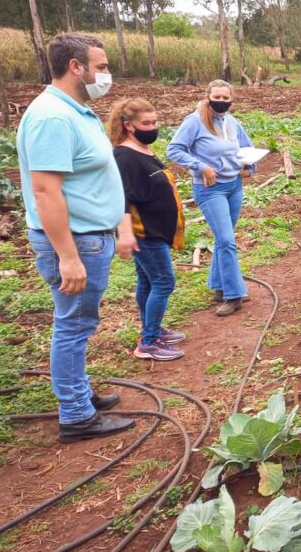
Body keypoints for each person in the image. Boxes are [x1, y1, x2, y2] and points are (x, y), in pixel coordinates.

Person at [16, 33, 136, 443]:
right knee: (73, 325)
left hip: (90, 236)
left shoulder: (77, 111)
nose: (106, 75)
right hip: (77, 242)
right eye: (101, 66)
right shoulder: (53, 117)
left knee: (79, 323)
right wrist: (68, 256)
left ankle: (79, 394)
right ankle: (76, 414)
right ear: (75, 67)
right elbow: (46, 190)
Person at [167, 80, 255, 316]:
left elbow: (247, 147)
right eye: (217, 97)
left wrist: (249, 167)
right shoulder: (194, 121)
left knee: (223, 239)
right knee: (226, 240)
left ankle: (218, 286)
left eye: (226, 98)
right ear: (208, 97)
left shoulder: (232, 122)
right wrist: (200, 166)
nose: (222, 102)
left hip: (233, 186)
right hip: (210, 189)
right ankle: (234, 294)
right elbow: (174, 149)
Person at [109, 98, 187, 361]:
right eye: (146, 123)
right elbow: (121, 196)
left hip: (157, 230)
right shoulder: (124, 156)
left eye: (154, 122)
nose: (152, 127)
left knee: (147, 280)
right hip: (144, 232)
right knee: (164, 281)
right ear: (129, 125)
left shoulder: (141, 149)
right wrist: (126, 232)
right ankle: (149, 341)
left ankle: (150, 330)